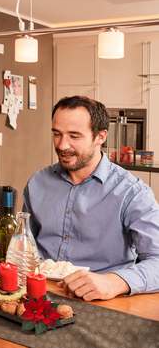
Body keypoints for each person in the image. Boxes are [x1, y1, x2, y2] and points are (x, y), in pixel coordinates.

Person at [24, 95, 159, 301]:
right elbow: (23, 245)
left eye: (74, 136)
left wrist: (115, 282)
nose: (62, 145)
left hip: (102, 302)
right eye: (57, 134)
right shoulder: (37, 183)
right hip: (36, 295)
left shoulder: (131, 192)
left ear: (100, 136)